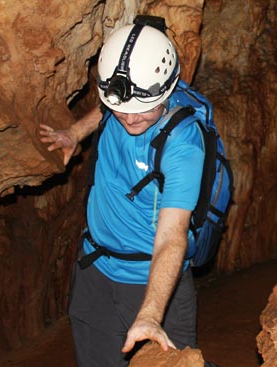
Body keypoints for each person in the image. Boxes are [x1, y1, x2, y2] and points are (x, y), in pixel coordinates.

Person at [39, 22, 204, 367]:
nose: (129, 118)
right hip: (95, 270)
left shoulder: (184, 145)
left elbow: (172, 238)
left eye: (143, 108)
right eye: (120, 106)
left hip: (153, 283)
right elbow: (106, 108)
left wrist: (151, 314)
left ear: (166, 90)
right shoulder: (124, 98)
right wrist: (74, 132)